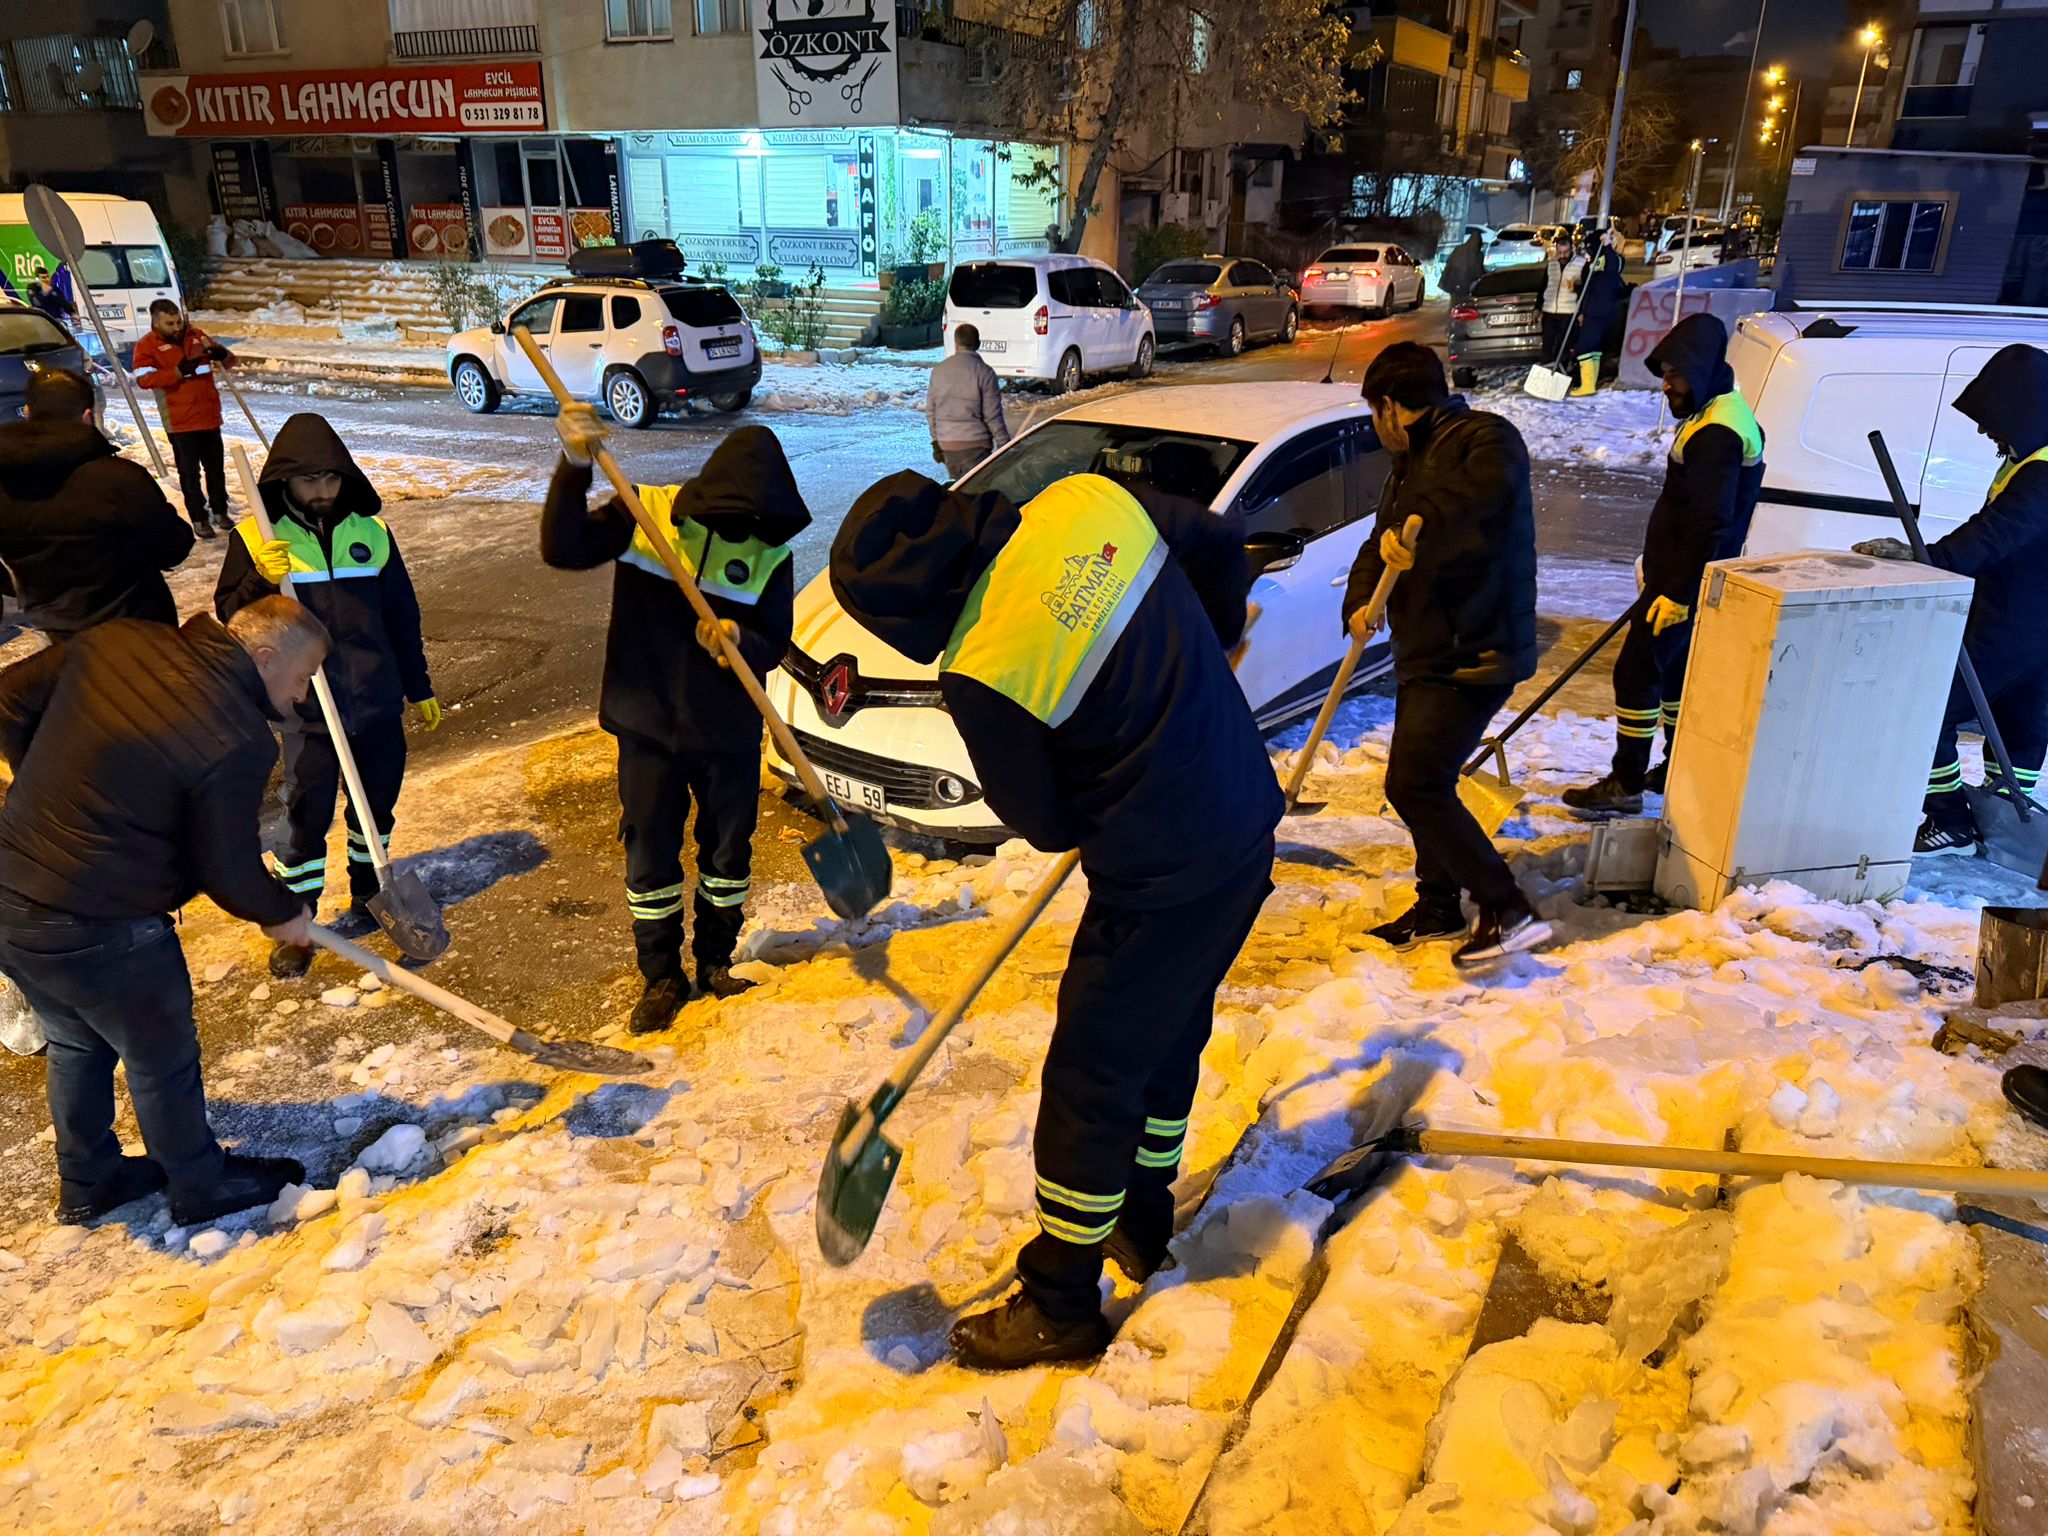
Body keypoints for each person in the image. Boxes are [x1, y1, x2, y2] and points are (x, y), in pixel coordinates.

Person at [829, 463, 1278, 1370]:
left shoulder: (984, 666)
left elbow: (1046, 823)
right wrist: (1212, 641)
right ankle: (1142, 1217)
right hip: (1243, 824)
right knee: (1166, 1035)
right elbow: (1220, 544)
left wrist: (1108, 760)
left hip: (1159, 877)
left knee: (1090, 1080)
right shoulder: (1086, 500)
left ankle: (1062, 1300)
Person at [0, 597, 323, 1226]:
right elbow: (226, 867)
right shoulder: (236, 737)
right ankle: (201, 1184)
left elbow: (9, 699)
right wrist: (282, 913)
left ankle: (90, 1179)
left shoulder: (117, 640)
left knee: (75, 1040)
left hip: (11, 889)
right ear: (263, 657)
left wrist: (38, 790)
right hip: (101, 921)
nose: (302, 695)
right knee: (160, 1058)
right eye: (304, 676)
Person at [543, 411, 809, 1032]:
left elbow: (775, 640)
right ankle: (661, 975)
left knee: (728, 855)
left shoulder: (770, 554)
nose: (744, 531)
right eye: (732, 517)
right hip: (648, 727)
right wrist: (574, 465)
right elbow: (563, 548)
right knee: (651, 857)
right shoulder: (648, 514)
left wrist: (740, 638)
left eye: (756, 521)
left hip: (728, 733)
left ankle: (715, 961)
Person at [1341, 342, 1547, 965]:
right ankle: (1437, 905)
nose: (1376, 427)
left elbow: (1479, 492)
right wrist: (1359, 601)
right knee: (1428, 780)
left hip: (1475, 648)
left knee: (1415, 784)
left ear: (1390, 407)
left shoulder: (1486, 440)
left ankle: (1508, 908)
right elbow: (1380, 540)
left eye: (1374, 414)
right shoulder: (1410, 461)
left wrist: (1420, 522)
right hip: (1430, 650)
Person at [214, 413, 438, 976]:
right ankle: (298, 922)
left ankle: (370, 890)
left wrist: (417, 685)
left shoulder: (372, 533)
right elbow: (232, 618)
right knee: (304, 817)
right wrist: (259, 578)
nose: (321, 490)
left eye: (331, 478)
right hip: (306, 708)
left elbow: (402, 616)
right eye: (308, 479)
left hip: (375, 699)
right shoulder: (258, 538)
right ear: (285, 480)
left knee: (376, 808)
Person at [1563, 314, 1765, 817]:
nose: (1667, 386)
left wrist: (1676, 592)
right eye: (1665, 375)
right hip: (1682, 577)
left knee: (1636, 673)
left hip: (1684, 581)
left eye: (1675, 375)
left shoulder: (1717, 433)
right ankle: (1675, 763)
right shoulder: (1716, 410)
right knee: (1672, 675)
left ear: (1700, 370)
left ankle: (1626, 782)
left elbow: (1710, 522)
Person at [1852, 343, 2048, 854]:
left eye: (1992, 420)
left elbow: (1997, 533)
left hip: (2014, 624)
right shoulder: (2032, 460)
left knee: (1925, 708)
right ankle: (2003, 822)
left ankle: (1950, 818)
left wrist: (1929, 559)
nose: (1984, 431)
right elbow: (1993, 527)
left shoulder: (2043, 475)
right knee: (2021, 722)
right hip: (2031, 622)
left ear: (2024, 410)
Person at [0, 367, 194, 641]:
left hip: (59, 635)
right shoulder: (120, 479)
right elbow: (175, 546)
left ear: (29, 411)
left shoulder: (5, 482)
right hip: (142, 631)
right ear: (87, 417)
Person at [132, 299, 237, 538]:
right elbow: (144, 380)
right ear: (156, 322)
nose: (177, 327)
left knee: (216, 469)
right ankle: (199, 518)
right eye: (170, 323)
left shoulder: (197, 336)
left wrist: (223, 355)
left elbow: (229, 361)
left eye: (178, 321)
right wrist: (178, 372)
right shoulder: (147, 346)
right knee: (189, 473)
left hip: (208, 416)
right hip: (179, 421)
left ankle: (220, 510)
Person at [927, 323, 1010, 481]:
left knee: (958, 489)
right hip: (976, 446)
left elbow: (931, 411)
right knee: (976, 490)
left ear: (956, 343)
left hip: (947, 445)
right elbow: (992, 415)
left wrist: (936, 442)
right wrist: (1005, 446)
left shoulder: (938, 371)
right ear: (978, 344)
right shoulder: (985, 372)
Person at [1565, 227, 1625, 398]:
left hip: (1602, 310)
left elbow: (1612, 269)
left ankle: (1587, 385)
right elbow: (1588, 287)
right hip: (1591, 310)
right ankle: (1589, 384)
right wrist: (1581, 309)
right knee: (1592, 348)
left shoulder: (1613, 259)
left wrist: (1607, 247)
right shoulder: (1591, 262)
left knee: (1583, 347)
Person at [1539, 232, 1584, 365]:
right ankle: (1546, 369)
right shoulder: (1552, 264)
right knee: (1547, 345)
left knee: (1563, 346)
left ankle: (1561, 369)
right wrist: (1538, 306)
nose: (1563, 256)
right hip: (1549, 310)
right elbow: (1544, 285)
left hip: (1568, 311)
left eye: (1566, 252)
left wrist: (1575, 288)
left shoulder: (1581, 264)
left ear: (1572, 249)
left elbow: (1586, 289)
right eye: (1560, 252)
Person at [1441, 229, 1486, 309]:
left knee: (1454, 302)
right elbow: (1478, 270)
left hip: (1453, 281)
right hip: (1466, 284)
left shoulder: (1458, 249)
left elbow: (1449, 262)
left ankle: (1452, 312)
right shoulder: (1477, 254)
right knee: (1466, 305)